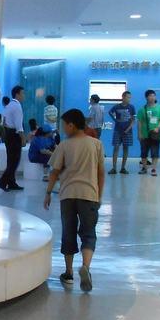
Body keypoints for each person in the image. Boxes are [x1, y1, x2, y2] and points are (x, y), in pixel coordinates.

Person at [44, 108, 105, 292]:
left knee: (68, 233)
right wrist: (99, 196)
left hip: (68, 195)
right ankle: (85, 267)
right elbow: (101, 173)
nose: (63, 129)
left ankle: (69, 273)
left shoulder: (64, 145)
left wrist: (48, 192)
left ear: (71, 125)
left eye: (64, 125)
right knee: (88, 233)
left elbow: (54, 171)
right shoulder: (96, 144)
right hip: (89, 195)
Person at [0, 85, 25, 192]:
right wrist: (23, 138)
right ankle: (2, 182)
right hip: (14, 135)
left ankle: (11, 182)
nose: (24, 96)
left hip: (8, 135)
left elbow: (5, 121)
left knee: (11, 160)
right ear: (17, 94)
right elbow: (18, 124)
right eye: (23, 93)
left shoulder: (9, 105)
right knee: (14, 161)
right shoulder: (17, 106)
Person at [137, 89, 160, 176]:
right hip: (145, 134)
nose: (152, 97)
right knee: (144, 153)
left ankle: (153, 169)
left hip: (155, 134)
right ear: (146, 97)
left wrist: (158, 128)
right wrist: (139, 133)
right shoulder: (142, 109)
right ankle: (144, 168)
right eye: (150, 95)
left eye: (154, 95)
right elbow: (139, 122)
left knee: (155, 152)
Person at [108, 91, 135, 174]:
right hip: (117, 130)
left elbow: (133, 120)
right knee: (116, 147)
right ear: (123, 97)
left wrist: (128, 128)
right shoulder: (117, 106)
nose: (129, 99)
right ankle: (114, 168)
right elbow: (110, 112)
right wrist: (115, 120)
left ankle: (123, 168)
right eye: (127, 97)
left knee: (125, 148)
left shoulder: (131, 107)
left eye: (130, 97)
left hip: (128, 131)